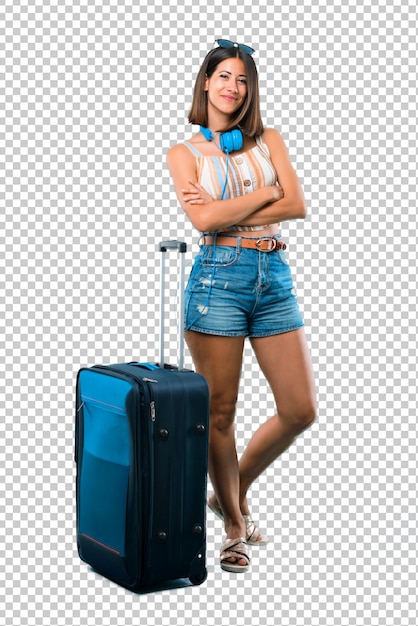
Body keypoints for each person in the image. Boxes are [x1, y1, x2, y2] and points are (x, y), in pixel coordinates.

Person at [167, 40, 317, 573]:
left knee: (301, 409)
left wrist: (231, 207)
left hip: (273, 275)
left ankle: (229, 491)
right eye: (224, 76)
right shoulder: (183, 154)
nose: (233, 87)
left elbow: (296, 204)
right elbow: (204, 224)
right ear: (205, 82)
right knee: (220, 414)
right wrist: (265, 192)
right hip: (217, 281)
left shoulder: (267, 138)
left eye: (243, 79)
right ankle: (234, 523)